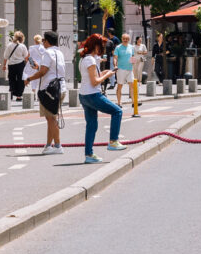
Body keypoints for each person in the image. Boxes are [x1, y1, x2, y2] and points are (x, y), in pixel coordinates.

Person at [77, 34, 125, 163]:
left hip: (84, 95)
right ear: (95, 45)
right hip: (93, 94)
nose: (102, 48)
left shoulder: (84, 59)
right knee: (117, 111)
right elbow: (94, 82)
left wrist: (103, 73)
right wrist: (107, 75)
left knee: (91, 125)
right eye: (101, 46)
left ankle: (89, 155)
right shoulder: (91, 60)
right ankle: (113, 141)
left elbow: (90, 77)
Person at [25, 31, 66, 155]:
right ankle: (49, 145)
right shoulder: (59, 52)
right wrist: (38, 67)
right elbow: (50, 69)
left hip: (49, 89)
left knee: (51, 119)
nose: (43, 42)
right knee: (51, 118)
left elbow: (43, 72)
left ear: (47, 41)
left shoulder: (47, 53)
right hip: (60, 87)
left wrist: (28, 79)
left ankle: (58, 145)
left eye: (44, 40)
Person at [1, 31, 29, 100]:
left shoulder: (9, 45)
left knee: (11, 79)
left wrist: (4, 65)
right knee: (20, 80)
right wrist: (31, 64)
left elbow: (6, 56)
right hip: (20, 64)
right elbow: (26, 57)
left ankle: (11, 92)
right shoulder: (23, 46)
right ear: (22, 38)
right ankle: (19, 96)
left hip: (11, 65)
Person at [113, 33, 135, 110]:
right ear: (122, 39)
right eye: (124, 39)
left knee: (132, 85)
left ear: (129, 40)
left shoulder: (131, 47)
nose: (125, 40)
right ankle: (119, 103)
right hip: (121, 69)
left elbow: (132, 56)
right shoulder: (118, 48)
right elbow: (115, 58)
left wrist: (133, 65)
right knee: (120, 86)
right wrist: (115, 65)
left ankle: (133, 102)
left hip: (130, 69)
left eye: (127, 39)